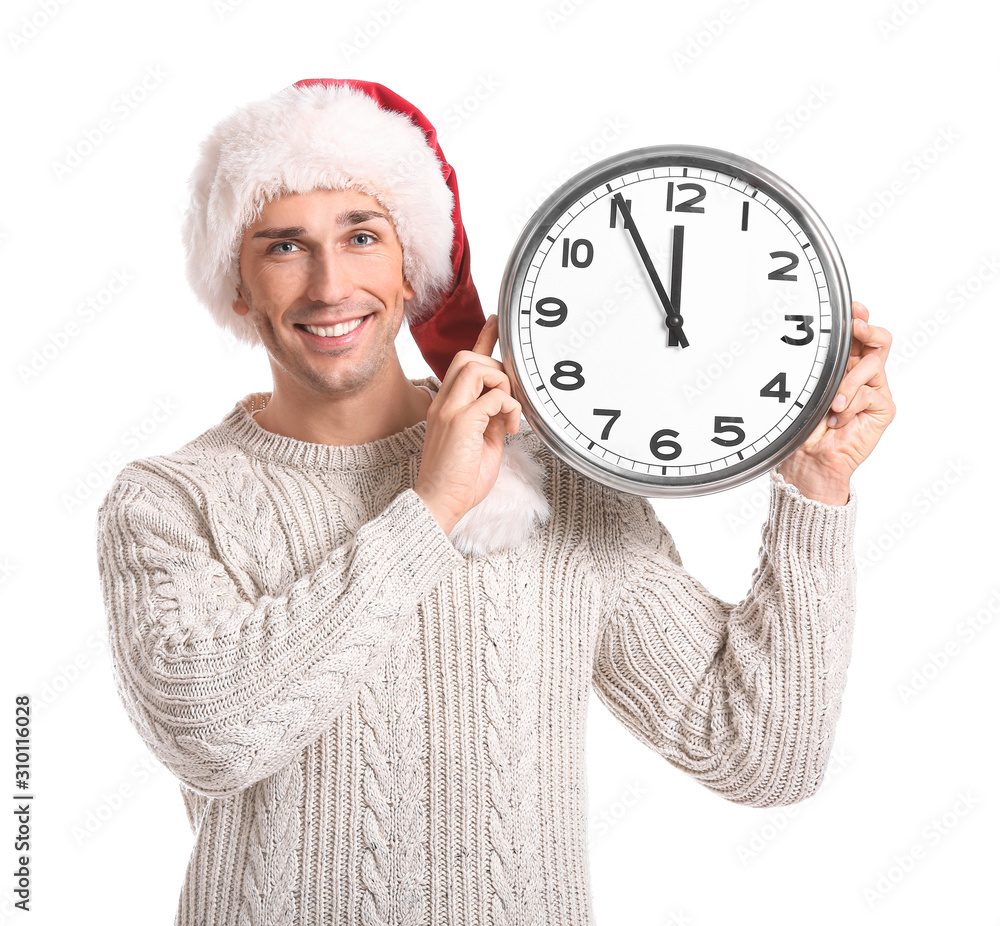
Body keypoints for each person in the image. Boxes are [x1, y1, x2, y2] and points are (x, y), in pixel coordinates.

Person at [94, 78, 895, 926]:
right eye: (285, 247)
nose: (331, 285)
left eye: (362, 236)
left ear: (413, 271)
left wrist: (817, 489)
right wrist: (429, 510)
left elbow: (762, 754)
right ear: (238, 287)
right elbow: (211, 736)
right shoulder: (169, 501)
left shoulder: (552, 479)